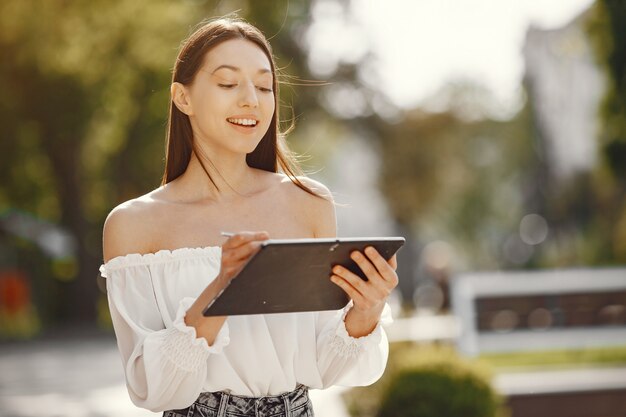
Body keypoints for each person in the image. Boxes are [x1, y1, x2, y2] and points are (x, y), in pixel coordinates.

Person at [99, 16, 398, 417]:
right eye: (227, 83)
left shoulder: (308, 202)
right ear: (182, 98)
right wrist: (221, 292)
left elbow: (327, 365)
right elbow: (151, 388)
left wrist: (366, 309)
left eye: (263, 86)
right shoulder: (132, 224)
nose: (251, 101)